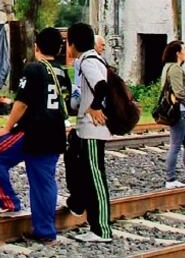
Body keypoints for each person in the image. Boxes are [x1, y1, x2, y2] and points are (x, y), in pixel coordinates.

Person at [0, 28, 69, 244]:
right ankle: (46, 231)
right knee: (44, 182)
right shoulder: (62, 73)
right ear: (59, 49)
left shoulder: (33, 69)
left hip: (33, 131)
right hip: (55, 132)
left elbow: (22, 101)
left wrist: (7, 127)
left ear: (36, 46)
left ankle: (7, 202)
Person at [63, 22, 113, 243]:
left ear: (72, 43)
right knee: (78, 166)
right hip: (85, 129)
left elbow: (101, 87)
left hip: (93, 129)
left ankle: (102, 229)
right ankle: (78, 202)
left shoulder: (88, 61)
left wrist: (94, 107)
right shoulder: (88, 59)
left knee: (95, 177)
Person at [160, 41, 185, 188]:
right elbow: (179, 93)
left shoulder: (167, 67)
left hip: (178, 110)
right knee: (176, 145)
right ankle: (170, 178)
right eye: (183, 49)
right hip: (179, 111)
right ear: (177, 53)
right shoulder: (175, 68)